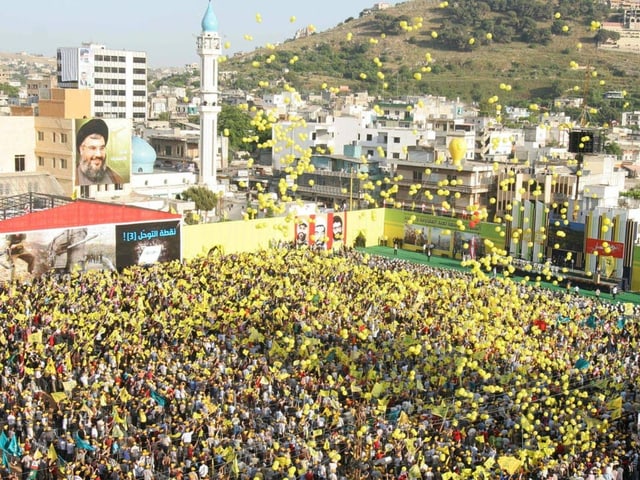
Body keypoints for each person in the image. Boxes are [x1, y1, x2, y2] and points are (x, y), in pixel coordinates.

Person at [76, 118, 124, 185]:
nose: (98, 154)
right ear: (82, 149)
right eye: (92, 148)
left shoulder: (117, 180)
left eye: (102, 148)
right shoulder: (72, 179)